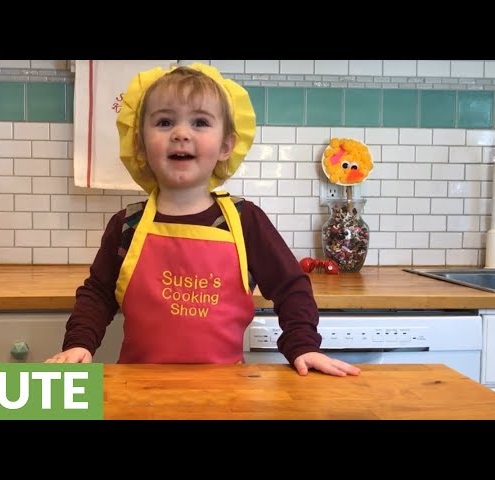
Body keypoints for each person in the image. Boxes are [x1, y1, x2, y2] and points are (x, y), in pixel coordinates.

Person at [45, 63, 360, 377]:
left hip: (225, 393)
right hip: (137, 390)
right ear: (140, 143)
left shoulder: (244, 220)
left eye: (199, 122)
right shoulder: (127, 225)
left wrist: (302, 344)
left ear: (225, 146)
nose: (181, 134)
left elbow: (291, 287)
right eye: (165, 122)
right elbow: (98, 294)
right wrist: (79, 344)